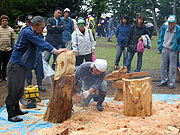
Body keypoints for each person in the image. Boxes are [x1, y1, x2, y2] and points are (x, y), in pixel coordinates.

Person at [5, 16, 68, 122]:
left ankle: (16, 110)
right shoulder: (28, 33)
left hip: (23, 65)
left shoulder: (35, 33)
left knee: (20, 89)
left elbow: (42, 44)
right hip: (16, 65)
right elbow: (42, 43)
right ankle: (10, 114)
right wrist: (56, 51)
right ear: (34, 26)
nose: (43, 30)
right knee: (13, 90)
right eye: (42, 28)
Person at [20, 15, 46, 91]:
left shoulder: (38, 31)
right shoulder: (24, 30)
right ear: (26, 23)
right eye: (28, 22)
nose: (29, 24)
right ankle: (29, 85)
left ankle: (40, 84)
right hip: (28, 53)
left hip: (37, 52)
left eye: (30, 22)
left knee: (39, 68)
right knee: (28, 70)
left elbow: (41, 40)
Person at [157, 15, 180, 89]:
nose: (170, 24)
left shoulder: (178, 29)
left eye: (172, 23)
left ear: (175, 22)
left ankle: (172, 83)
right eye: (169, 22)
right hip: (165, 48)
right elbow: (161, 37)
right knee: (163, 65)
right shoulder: (164, 28)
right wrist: (160, 47)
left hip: (173, 49)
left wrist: (178, 49)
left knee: (173, 67)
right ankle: (164, 81)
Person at [0, 15, 15, 82]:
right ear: (1, 21)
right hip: (0, 49)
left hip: (8, 49)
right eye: (3, 20)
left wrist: (13, 48)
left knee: (6, 64)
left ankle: (5, 75)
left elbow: (13, 40)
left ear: (7, 21)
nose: (4, 22)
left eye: (6, 20)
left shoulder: (11, 30)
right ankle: (0, 76)